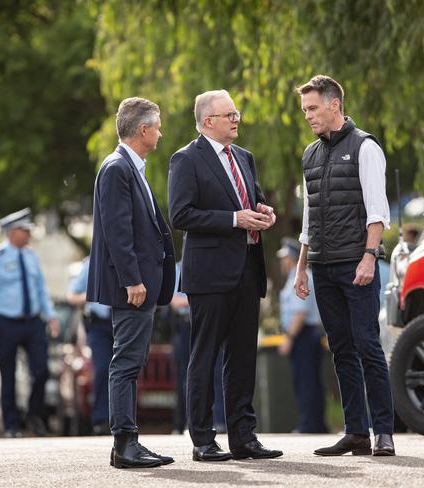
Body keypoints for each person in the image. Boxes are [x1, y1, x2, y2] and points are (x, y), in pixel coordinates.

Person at [168, 89, 282, 461]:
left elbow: (253, 199)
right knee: (204, 357)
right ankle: (203, 439)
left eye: (237, 112)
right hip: (210, 275)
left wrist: (264, 212)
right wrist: (234, 220)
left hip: (248, 271)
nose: (237, 119)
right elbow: (181, 215)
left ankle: (244, 437)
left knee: (243, 358)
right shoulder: (186, 159)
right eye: (229, 114)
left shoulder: (244, 158)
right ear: (208, 122)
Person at [294, 75, 395, 456]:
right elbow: (308, 216)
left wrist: (370, 256)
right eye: (305, 110)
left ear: (334, 104)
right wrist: (302, 267)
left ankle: (383, 431)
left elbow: (377, 211)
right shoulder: (310, 154)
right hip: (322, 266)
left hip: (356, 265)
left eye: (313, 108)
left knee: (368, 346)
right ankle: (356, 432)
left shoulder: (365, 147)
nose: (308, 116)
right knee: (341, 350)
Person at [87, 97, 176, 469]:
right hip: (133, 288)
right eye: (156, 126)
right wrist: (132, 280)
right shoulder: (117, 168)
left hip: (141, 285)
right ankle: (124, 445)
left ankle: (131, 440)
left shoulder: (130, 167)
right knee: (125, 362)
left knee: (132, 360)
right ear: (143, 130)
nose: (159, 133)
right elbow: (118, 232)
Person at [0, 208, 60, 438]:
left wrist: (51, 315)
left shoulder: (32, 256)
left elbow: (41, 289)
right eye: (24, 230)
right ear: (12, 232)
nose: (28, 234)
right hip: (6, 322)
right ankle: (11, 426)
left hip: (33, 322)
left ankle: (34, 415)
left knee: (42, 370)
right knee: (8, 374)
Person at [276, 237, 328, 434]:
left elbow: (300, 312)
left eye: (285, 258)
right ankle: (315, 423)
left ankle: (310, 424)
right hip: (304, 335)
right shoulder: (295, 277)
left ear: (291, 259)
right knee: (308, 380)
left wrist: (289, 338)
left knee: (306, 381)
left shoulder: (302, 277)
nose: (282, 262)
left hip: (304, 334)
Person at [169, 261, 226, 435]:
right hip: (187, 326)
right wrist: (201, 298)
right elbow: (174, 302)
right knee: (189, 374)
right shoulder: (178, 268)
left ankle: (219, 421)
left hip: (210, 322)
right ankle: (190, 422)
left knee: (217, 373)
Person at [67, 257, 113, 435]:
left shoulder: (131, 256)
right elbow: (72, 295)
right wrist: (96, 294)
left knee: (126, 369)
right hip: (100, 325)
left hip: (124, 322)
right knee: (102, 368)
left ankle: (124, 418)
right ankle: (101, 419)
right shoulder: (92, 262)